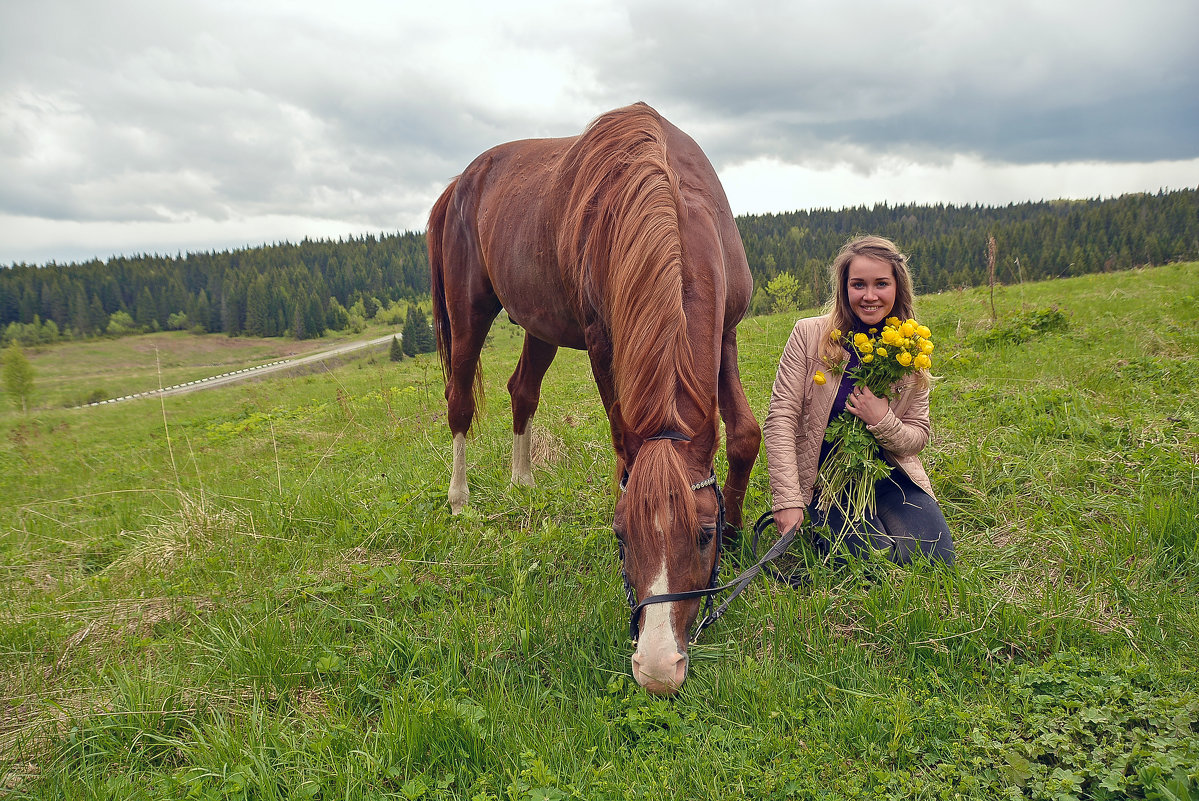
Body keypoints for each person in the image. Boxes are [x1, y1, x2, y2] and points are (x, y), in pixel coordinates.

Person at [764, 235, 955, 566]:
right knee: (868, 565)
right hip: (830, 484)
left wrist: (882, 419)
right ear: (844, 288)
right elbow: (781, 418)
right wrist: (788, 500)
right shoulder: (809, 335)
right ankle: (826, 524)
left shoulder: (910, 349)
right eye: (858, 284)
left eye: (881, 283)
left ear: (897, 287)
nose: (869, 296)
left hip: (887, 475)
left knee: (934, 557)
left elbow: (917, 436)